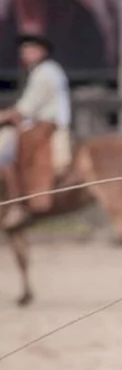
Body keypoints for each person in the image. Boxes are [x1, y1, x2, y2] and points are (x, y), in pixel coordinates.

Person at [0, 31, 72, 230]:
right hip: (40, 121)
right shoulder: (44, 71)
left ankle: (16, 205)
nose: (25, 54)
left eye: (30, 50)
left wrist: (4, 116)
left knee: (4, 155)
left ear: (41, 51)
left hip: (44, 124)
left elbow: (26, 109)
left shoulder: (45, 73)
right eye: (24, 50)